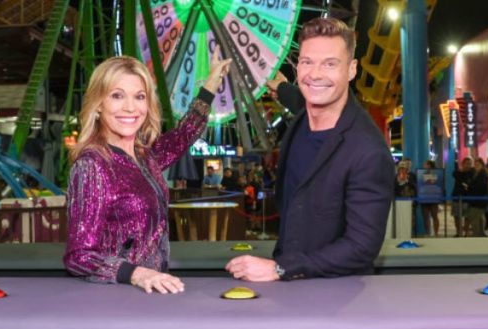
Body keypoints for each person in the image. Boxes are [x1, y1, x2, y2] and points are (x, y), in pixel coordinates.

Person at [226, 17, 395, 281]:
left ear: (351, 70)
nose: (315, 74)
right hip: (288, 285)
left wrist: (280, 268)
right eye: (307, 62)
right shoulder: (305, 114)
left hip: (336, 291)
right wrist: (281, 86)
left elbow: (362, 246)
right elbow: (301, 97)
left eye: (330, 64)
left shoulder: (368, 150)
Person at [64, 53, 231, 294]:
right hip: (118, 297)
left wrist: (212, 82)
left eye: (139, 96)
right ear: (98, 104)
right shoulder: (92, 166)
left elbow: (184, 134)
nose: (130, 107)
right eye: (117, 95)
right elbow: (79, 256)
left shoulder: (145, 156)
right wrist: (136, 274)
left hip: (153, 291)